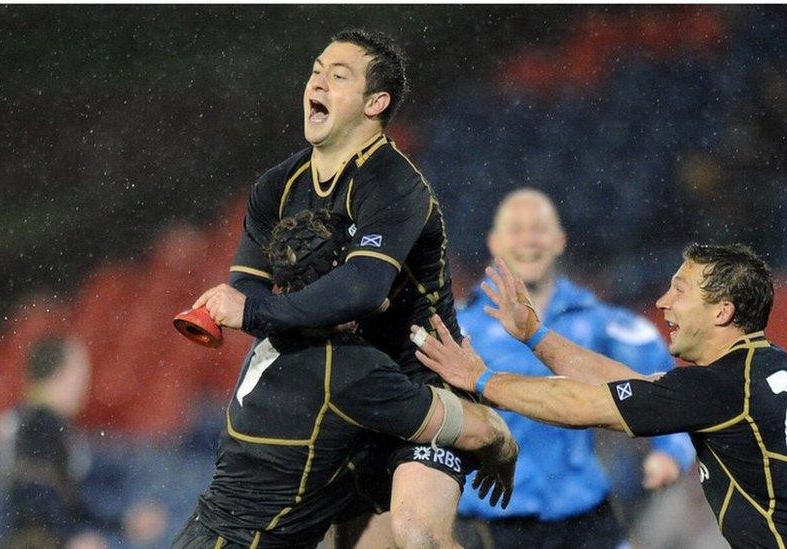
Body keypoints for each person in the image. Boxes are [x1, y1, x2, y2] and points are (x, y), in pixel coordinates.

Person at [190, 29, 477, 546]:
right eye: (316, 69)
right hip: (330, 385)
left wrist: (259, 312)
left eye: (337, 75)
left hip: (419, 381)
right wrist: (269, 307)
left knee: (417, 536)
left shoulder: (395, 184)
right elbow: (248, 286)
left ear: (376, 102)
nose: (316, 81)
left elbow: (360, 290)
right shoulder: (276, 187)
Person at [413, 245, 787, 547]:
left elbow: (582, 405)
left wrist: (481, 379)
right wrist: (535, 335)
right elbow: (622, 382)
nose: (663, 302)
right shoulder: (762, 364)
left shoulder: (722, 386)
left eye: (680, 291)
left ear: (722, 311)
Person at [173, 210, 517, 548]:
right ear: (340, 283)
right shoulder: (346, 368)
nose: (378, 273)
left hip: (202, 534)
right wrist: (503, 443)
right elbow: (479, 430)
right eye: (365, 267)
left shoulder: (272, 336)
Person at [453, 189, 694, 549]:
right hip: (493, 519)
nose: (528, 240)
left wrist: (669, 451)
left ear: (559, 240)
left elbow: (667, 384)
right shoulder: (458, 326)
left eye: (538, 228)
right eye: (516, 229)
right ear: (494, 242)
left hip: (585, 513)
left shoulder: (598, 321)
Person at [0, 337, 166, 549]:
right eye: (81, 372)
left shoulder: (35, 421)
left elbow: (65, 503)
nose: (85, 383)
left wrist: (120, 523)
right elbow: (34, 492)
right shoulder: (39, 423)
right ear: (61, 374)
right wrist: (68, 539)